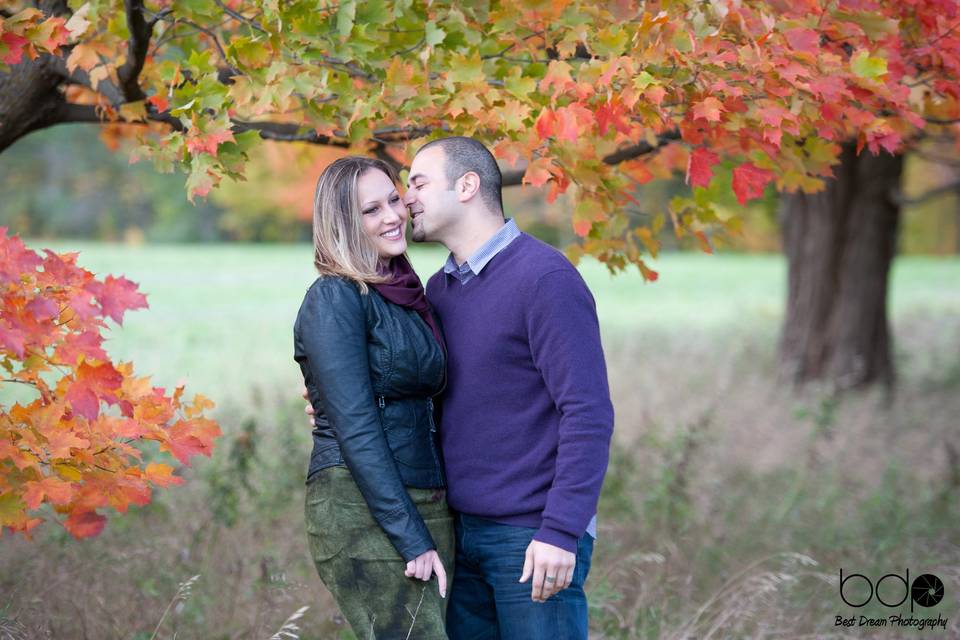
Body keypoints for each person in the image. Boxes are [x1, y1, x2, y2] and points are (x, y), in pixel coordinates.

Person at [304, 138, 614, 639]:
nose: (406, 201)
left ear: (467, 185)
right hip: (457, 532)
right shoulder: (439, 292)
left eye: (418, 183)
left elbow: (588, 413)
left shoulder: (544, 278)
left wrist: (561, 530)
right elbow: (433, 390)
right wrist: (334, 401)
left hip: (530, 537)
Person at [294, 156, 453, 639]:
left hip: (420, 495)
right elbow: (356, 425)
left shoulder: (403, 295)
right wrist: (410, 538)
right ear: (343, 222)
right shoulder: (335, 297)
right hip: (362, 506)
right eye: (370, 210)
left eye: (393, 200)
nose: (392, 215)